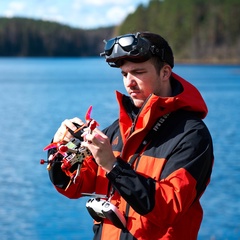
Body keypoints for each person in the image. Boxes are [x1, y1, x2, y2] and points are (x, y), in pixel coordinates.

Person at [46, 32, 214, 240]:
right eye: (125, 74)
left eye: (138, 72)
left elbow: (169, 206)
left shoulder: (192, 135)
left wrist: (114, 167)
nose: (129, 83)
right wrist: (59, 150)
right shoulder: (118, 130)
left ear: (165, 72)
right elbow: (75, 186)